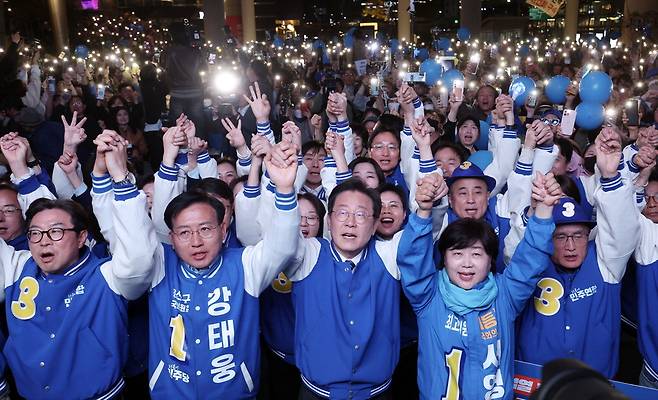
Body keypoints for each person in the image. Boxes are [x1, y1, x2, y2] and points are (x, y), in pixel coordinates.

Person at [140, 130, 300, 398]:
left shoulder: (245, 265)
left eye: (205, 229)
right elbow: (156, 224)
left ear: (223, 229)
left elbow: (282, 246)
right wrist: (169, 157)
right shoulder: (159, 264)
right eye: (185, 232)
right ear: (172, 238)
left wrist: (283, 188)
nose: (196, 241)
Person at [0, 128, 155, 399]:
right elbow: (47, 214)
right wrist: (18, 166)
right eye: (34, 234)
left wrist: (120, 178)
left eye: (57, 233)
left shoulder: (106, 276)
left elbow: (138, 259)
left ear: (82, 237)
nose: (43, 241)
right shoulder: (17, 266)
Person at [397, 170, 560, 399]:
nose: (466, 264)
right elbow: (412, 260)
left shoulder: (505, 296)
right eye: (457, 253)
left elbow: (530, 259)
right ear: (443, 258)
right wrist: (424, 210)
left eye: (476, 254)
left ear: (490, 260)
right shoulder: (429, 297)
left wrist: (543, 209)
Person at [516, 129, 640, 378]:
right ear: (547, 237)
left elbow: (622, 230)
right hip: (535, 385)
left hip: (593, 388)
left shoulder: (606, 265)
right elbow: (516, 250)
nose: (571, 246)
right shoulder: (533, 264)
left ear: (589, 236)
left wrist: (610, 176)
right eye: (561, 237)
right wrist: (534, 212)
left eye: (579, 235)